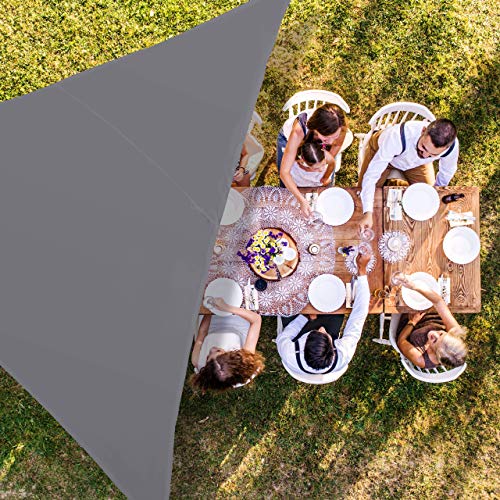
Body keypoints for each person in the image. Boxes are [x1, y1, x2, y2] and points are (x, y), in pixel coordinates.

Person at [276, 253, 371, 383]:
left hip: (297, 331)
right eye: (325, 334)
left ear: (303, 347)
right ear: (333, 349)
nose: (321, 328)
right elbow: (359, 314)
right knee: (336, 297)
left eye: (316, 332)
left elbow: (285, 335)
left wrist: (303, 318)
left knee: (287, 297)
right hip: (321, 333)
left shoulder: (288, 353)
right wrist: (362, 270)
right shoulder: (344, 353)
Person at [358, 119, 458, 232]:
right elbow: (371, 175)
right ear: (423, 131)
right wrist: (368, 212)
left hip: (416, 164)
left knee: (426, 199)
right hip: (382, 154)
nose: (425, 155)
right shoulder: (396, 137)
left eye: (433, 155)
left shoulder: (449, 148)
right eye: (423, 147)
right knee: (361, 196)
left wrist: (436, 190)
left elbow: (447, 171)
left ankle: (392, 184)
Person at [277, 103, 350, 217]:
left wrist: (322, 162)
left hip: (315, 141)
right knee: (287, 184)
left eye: (335, 137)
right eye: (327, 138)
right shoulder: (298, 131)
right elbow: (284, 173)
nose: (331, 142)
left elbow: (336, 145)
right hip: (290, 140)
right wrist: (301, 200)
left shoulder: (339, 128)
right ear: (315, 129)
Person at [191, 298, 264, 392]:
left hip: (211, 324)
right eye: (218, 351)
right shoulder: (243, 359)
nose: (212, 349)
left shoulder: (197, 361)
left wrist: (210, 310)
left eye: (208, 356)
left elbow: (202, 333)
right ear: (233, 355)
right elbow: (256, 320)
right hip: (239, 321)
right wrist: (227, 308)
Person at [396, 277, 467, 368]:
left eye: (434, 341)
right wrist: (414, 286)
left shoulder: (420, 359)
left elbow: (401, 341)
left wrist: (412, 322)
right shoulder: (454, 336)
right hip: (432, 314)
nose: (433, 333)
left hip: (410, 323)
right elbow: (438, 301)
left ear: (436, 355)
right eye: (441, 334)